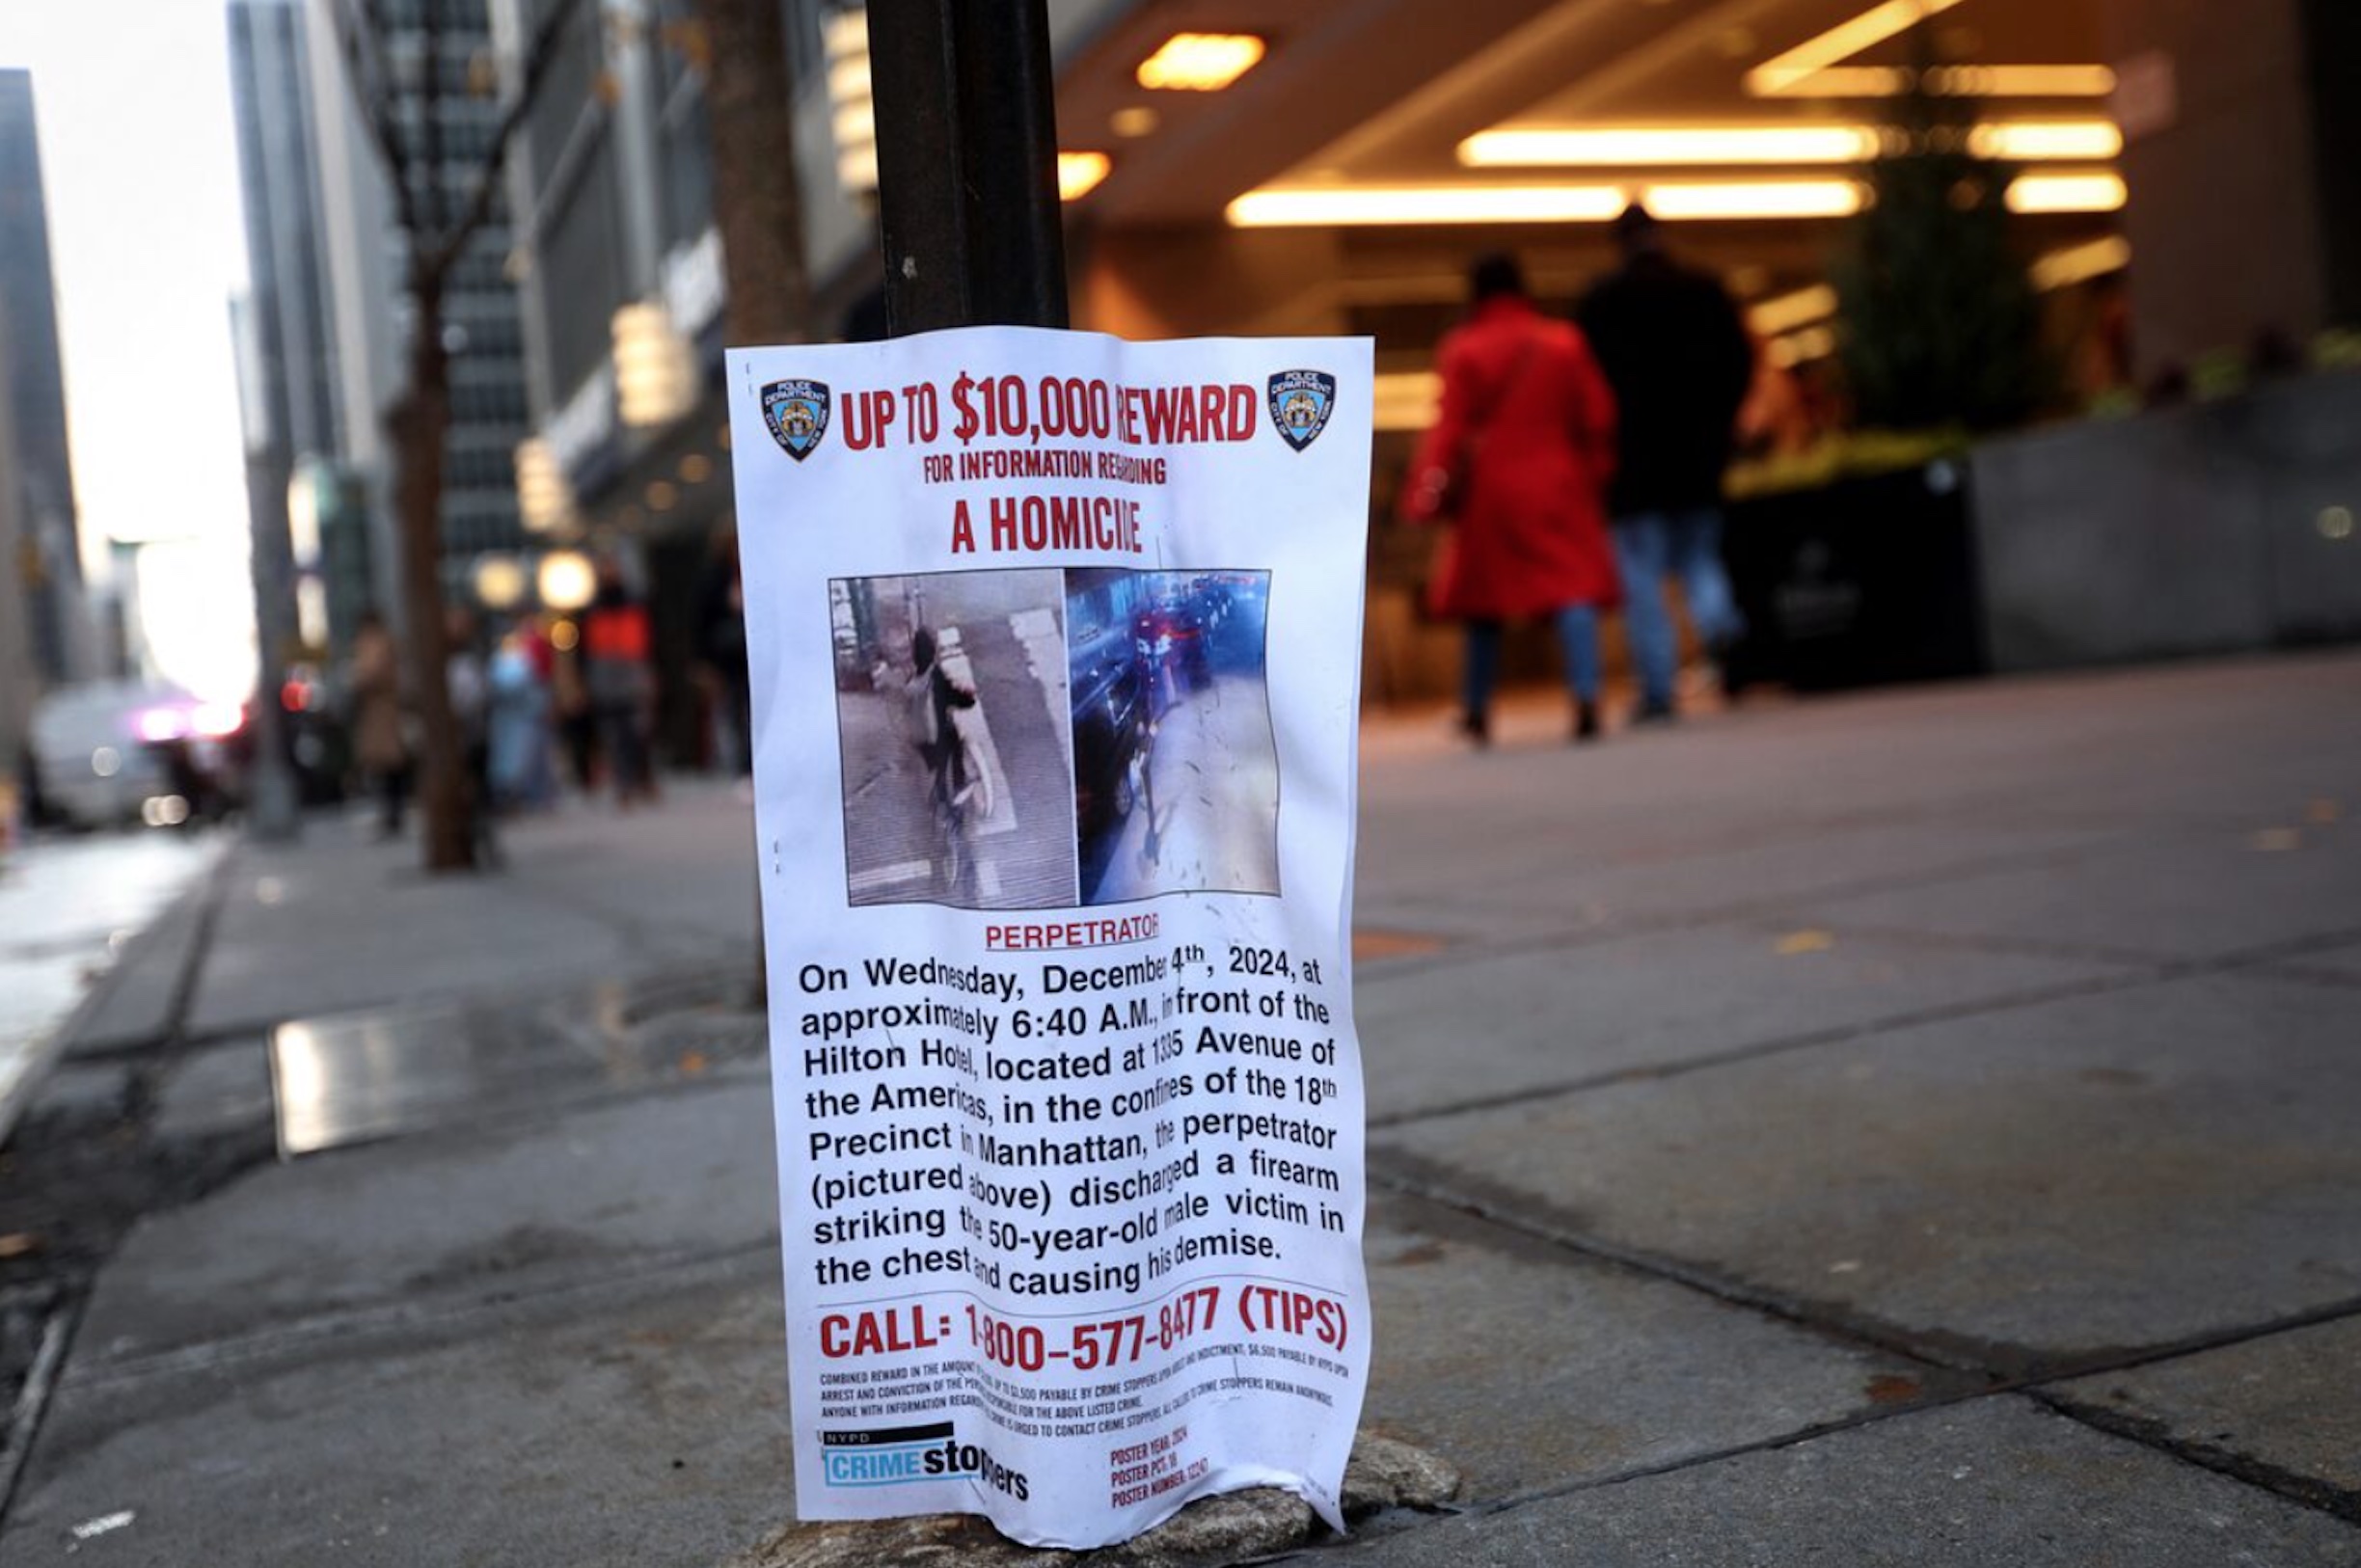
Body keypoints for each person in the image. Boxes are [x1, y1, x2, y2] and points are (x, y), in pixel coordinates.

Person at [1403, 251, 1620, 744]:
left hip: (1492, 491)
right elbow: (1599, 416)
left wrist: (1424, 494)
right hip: (1559, 483)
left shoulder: (1464, 349)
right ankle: (1586, 696)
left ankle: (1477, 709)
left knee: (1485, 600)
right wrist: (1595, 473)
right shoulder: (1564, 343)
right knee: (1572, 590)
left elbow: (1449, 429)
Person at [1577, 203, 1756, 722]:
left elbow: (1589, 387)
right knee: (1703, 558)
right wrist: (1721, 424)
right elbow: (1738, 362)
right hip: (1700, 456)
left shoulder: (1603, 301)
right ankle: (1722, 634)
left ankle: (1658, 688)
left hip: (1633, 466)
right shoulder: (1704, 290)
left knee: (1643, 579)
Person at [581, 557, 659, 807]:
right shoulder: (592, 610)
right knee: (615, 736)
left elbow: (650, 640)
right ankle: (624, 782)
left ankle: (643, 778)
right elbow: (585, 650)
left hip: (633, 673)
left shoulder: (635, 602)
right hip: (606, 678)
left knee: (639, 732)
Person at [348, 608, 408, 836]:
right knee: (385, 766)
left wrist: (358, 683)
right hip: (380, 712)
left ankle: (393, 815)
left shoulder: (375, 644)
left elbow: (369, 674)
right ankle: (392, 814)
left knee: (388, 765)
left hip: (381, 712)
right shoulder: (379, 643)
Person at [905, 626, 977, 807]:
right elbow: (956, 698)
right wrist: (968, 698)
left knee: (940, 764)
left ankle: (940, 793)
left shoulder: (913, 682)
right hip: (937, 739)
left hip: (919, 740)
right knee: (955, 741)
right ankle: (959, 784)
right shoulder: (936, 678)